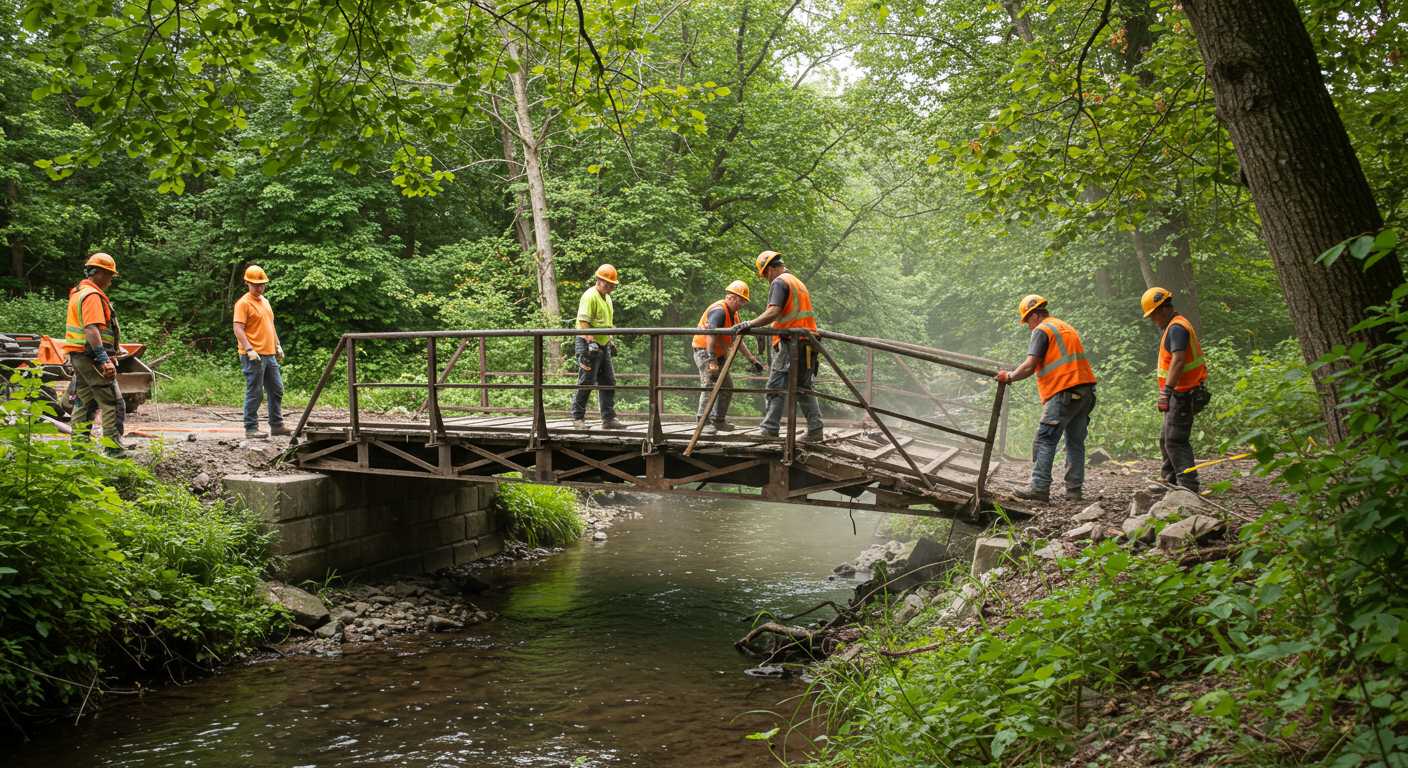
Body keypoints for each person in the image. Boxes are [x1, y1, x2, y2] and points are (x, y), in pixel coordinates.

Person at [994, 294, 1098, 502]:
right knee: (1075, 442)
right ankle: (1074, 491)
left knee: (1045, 439)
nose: (1029, 327)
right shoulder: (1064, 327)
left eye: (1027, 322)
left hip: (1064, 392)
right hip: (1085, 392)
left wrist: (1010, 377)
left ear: (1033, 316)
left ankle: (1039, 487)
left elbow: (1030, 365)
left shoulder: (1042, 330)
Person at [730, 251, 823, 441]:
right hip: (808, 342)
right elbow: (789, 314)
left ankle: (770, 428)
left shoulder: (779, 282)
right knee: (803, 388)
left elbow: (774, 311)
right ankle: (815, 430)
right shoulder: (797, 282)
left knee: (775, 385)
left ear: (770, 268)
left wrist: (750, 324)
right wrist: (766, 328)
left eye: (765, 274)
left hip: (791, 343)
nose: (765, 279)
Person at [1142, 286, 1209, 492]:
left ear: (1162, 310)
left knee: (1175, 440)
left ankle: (1189, 486)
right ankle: (1169, 480)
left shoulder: (1177, 328)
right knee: (1166, 438)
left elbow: (1179, 360)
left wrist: (1166, 391)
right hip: (1181, 391)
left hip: (1183, 393)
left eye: (1154, 316)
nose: (1154, 321)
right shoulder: (1176, 325)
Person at [62, 252, 128, 456]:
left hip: (80, 356)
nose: (110, 280)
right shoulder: (91, 296)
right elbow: (91, 329)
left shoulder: (79, 292)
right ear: (97, 272)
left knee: (84, 402)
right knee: (113, 403)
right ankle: (114, 453)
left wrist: (114, 349)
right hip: (90, 357)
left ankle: (79, 452)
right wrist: (103, 359)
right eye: (109, 275)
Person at [691, 280, 766, 434]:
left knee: (727, 386)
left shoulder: (734, 314)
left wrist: (752, 360)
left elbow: (737, 340)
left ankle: (718, 420)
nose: (742, 304)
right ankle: (702, 422)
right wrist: (711, 359)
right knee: (710, 384)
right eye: (740, 300)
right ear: (730, 297)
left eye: (744, 302)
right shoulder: (718, 310)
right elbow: (711, 333)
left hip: (719, 354)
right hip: (705, 351)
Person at [233, 265, 289, 439]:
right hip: (253, 355)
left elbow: (270, 325)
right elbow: (238, 328)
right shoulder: (243, 303)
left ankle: (277, 425)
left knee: (276, 389)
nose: (259, 287)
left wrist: (277, 345)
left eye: (262, 284)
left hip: (269, 353)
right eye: (255, 284)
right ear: (247, 283)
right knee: (255, 392)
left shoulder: (265, 301)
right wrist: (249, 349)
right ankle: (251, 428)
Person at [571, 264, 626, 430]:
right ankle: (577, 418)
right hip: (588, 343)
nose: (610, 287)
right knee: (586, 381)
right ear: (599, 280)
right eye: (607, 284)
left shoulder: (607, 297)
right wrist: (591, 341)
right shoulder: (590, 296)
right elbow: (583, 322)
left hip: (603, 343)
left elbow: (606, 323)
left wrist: (610, 340)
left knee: (608, 380)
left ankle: (608, 418)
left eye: (612, 285)